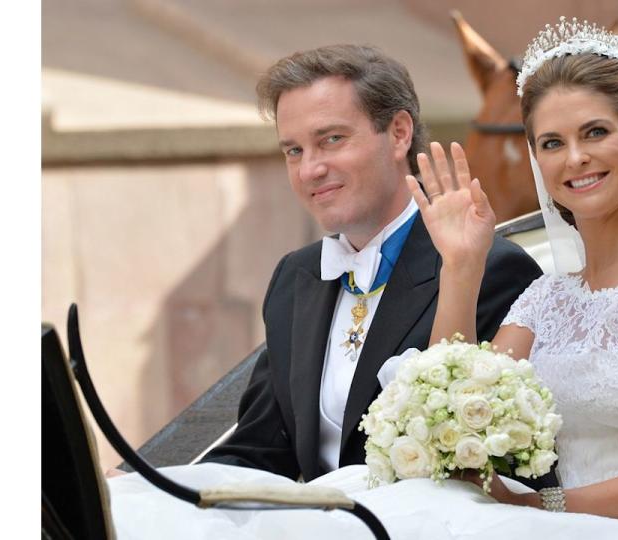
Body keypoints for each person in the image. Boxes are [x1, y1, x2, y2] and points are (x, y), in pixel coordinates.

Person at [108, 21, 618, 539]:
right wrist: (459, 266)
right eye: (550, 142)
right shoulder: (548, 293)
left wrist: (538, 509)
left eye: (595, 133)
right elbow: (448, 407)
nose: (573, 159)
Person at [196, 44, 545, 484]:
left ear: (399, 133)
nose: (310, 170)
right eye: (294, 151)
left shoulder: (492, 269)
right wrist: (145, 488)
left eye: (331, 140)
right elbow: (261, 449)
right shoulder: (295, 276)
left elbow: (494, 461)